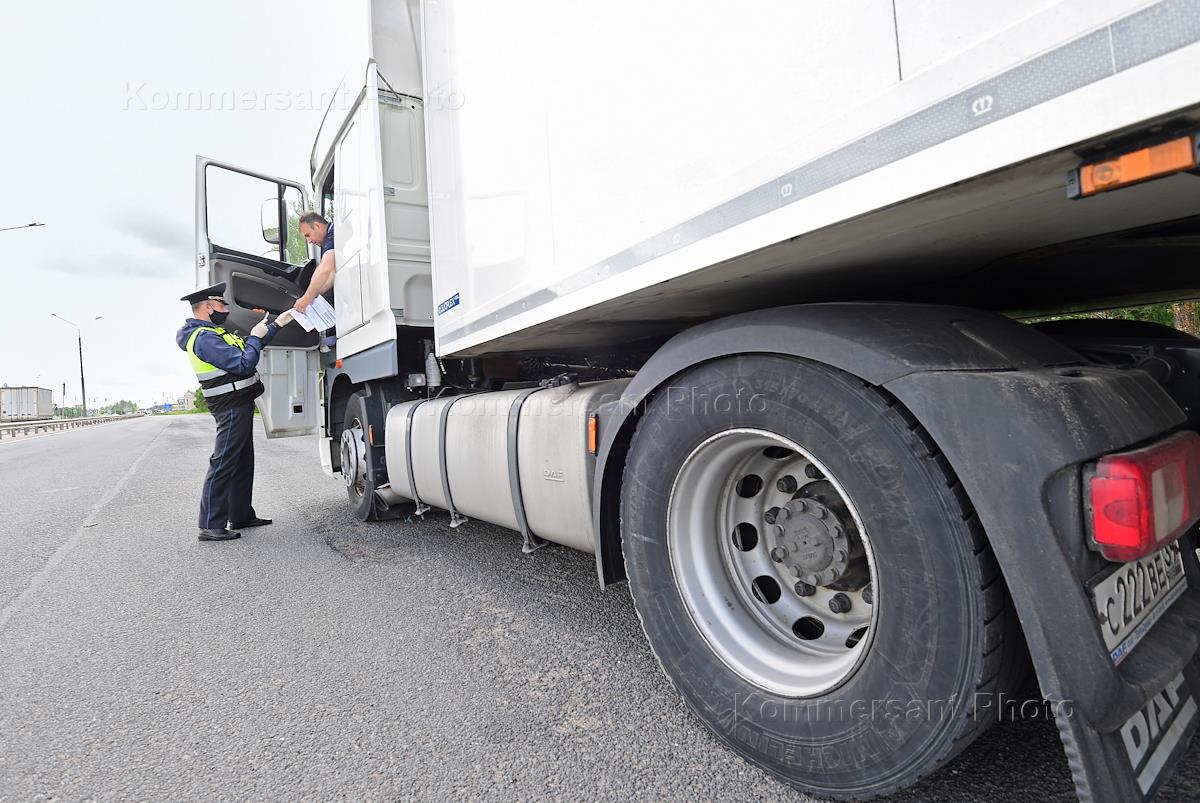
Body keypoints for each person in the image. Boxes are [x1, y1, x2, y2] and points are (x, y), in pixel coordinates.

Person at [175, 283, 294, 542]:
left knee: (241, 462)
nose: (226, 309)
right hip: (229, 405)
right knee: (224, 462)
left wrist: (275, 326)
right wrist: (254, 335)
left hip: (239, 401)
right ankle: (210, 524)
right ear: (207, 307)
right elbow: (243, 363)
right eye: (221, 304)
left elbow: (250, 349)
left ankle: (240, 514)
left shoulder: (215, 332)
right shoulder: (204, 338)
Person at [295, 212, 335, 313]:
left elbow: (326, 269)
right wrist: (315, 296)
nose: (309, 241)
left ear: (317, 226)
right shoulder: (329, 241)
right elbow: (331, 276)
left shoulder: (332, 236)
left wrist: (307, 298)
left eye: (308, 235)